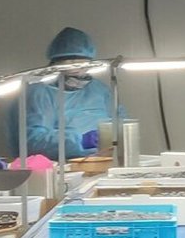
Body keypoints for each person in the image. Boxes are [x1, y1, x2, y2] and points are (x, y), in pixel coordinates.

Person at [20, 27, 117, 160]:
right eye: (68, 62)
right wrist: (79, 141)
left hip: (104, 160)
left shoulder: (99, 90)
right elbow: (34, 141)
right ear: (54, 64)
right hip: (64, 166)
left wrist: (118, 136)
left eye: (81, 63)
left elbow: (120, 121)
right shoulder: (41, 91)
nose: (75, 69)